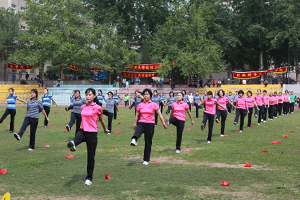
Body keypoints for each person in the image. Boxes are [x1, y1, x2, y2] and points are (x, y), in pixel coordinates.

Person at [67, 88, 107, 186]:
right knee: (76, 139)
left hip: (92, 133)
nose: (88, 96)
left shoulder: (98, 107)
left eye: (90, 94)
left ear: (94, 96)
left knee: (90, 157)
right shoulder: (83, 107)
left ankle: (89, 177)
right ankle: (73, 144)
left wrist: (105, 129)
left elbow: (101, 120)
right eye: (86, 94)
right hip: (83, 130)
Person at [130, 88, 168, 165]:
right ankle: (134, 140)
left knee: (148, 142)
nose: (145, 96)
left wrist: (163, 123)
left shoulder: (154, 104)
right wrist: (134, 124)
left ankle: (146, 160)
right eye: (144, 94)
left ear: (150, 95)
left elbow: (159, 114)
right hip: (141, 122)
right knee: (137, 132)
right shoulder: (140, 105)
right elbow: (137, 116)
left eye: (147, 94)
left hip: (150, 124)